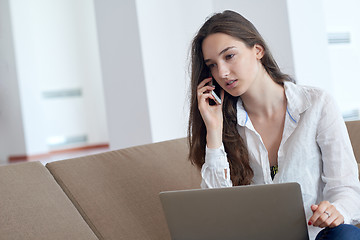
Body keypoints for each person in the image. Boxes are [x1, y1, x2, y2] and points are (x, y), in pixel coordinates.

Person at [187, 10, 360, 240]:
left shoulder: (316, 104)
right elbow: (218, 215)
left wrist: (336, 211)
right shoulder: (225, 125)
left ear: (257, 50)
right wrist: (214, 132)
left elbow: (346, 190)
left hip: (319, 236)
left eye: (229, 56)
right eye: (212, 65)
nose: (222, 72)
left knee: (345, 235)